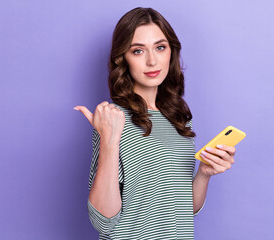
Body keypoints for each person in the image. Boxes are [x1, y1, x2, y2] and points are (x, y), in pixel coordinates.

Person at [74, 7, 236, 240]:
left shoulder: (178, 116)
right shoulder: (114, 118)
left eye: (160, 47)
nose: (152, 60)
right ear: (123, 58)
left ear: (171, 52)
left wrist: (204, 173)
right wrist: (109, 140)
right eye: (138, 51)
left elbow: (181, 212)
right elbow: (103, 221)